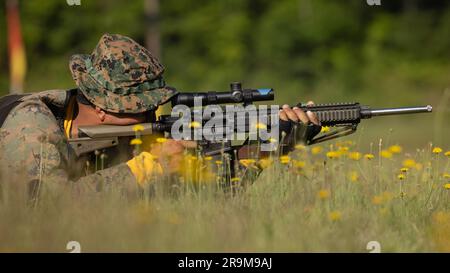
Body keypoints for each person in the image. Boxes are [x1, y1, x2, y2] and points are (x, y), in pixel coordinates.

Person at [0, 33, 320, 200]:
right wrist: (148, 168)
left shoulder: (128, 135)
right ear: (101, 106)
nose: (153, 114)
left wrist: (269, 148)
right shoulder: (30, 125)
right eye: (141, 108)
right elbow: (49, 211)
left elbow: (201, 196)